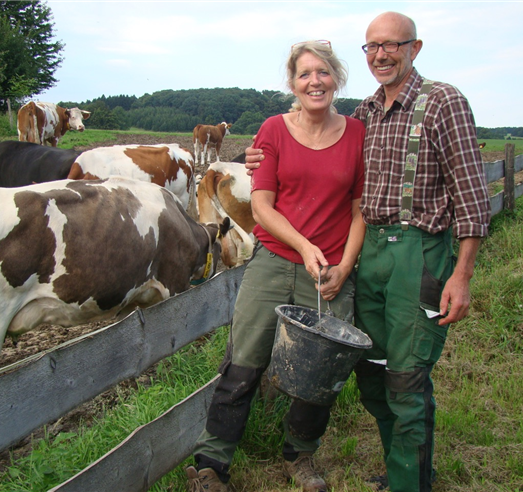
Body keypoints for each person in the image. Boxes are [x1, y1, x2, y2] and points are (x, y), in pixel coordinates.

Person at [246, 11, 491, 492]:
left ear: (414, 48)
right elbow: (319, 151)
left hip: (418, 252)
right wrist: (254, 157)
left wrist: (461, 276)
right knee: (374, 373)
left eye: (392, 45)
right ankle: (404, 467)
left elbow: (472, 197)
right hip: (371, 252)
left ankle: (409, 483)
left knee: (407, 375)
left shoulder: (444, 102)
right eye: (372, 46)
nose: (381, 54)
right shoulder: (366, 112)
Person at [186, 40, 366, 492]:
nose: (315, 82)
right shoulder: (273, 130)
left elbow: (360, 209)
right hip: (276, 259)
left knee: (320, 368)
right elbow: (263, 207)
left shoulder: (358, 134)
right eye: (305, 74)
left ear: (336, 79)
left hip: (330, 272)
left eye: (323, 73)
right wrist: (305, 247)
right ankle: (212, 463)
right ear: (293, 83)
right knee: (244, 360)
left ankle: (299, 456)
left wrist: (344, 266)